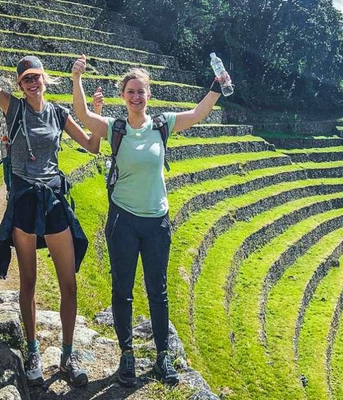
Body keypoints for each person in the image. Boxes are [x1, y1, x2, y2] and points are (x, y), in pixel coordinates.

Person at [0, 1, 105, 388]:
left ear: (45, 79)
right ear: (19, 85)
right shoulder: (14, 109)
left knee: (68, 283)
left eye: (36, 77)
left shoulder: (58, 113)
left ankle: (68, 355)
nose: (32, 84)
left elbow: (92, 146)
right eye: (26, 80)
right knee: (29, 282)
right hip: (24, 201)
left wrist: (97, 116)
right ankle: (34, 349)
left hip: (53, 198)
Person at [70, 55, 231, 386]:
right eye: (130, 92)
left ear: (149, 95)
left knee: (158, 291)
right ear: (123, 95)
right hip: (123, 220)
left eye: (141, 91)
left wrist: (217, 85)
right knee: (123, 290)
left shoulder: (163, 124)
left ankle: (161, 357)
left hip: (157, 221)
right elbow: (84, 115)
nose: (136, 97)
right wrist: (76, 79)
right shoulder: (115, 127)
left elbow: (198, 114)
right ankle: (127, 355)